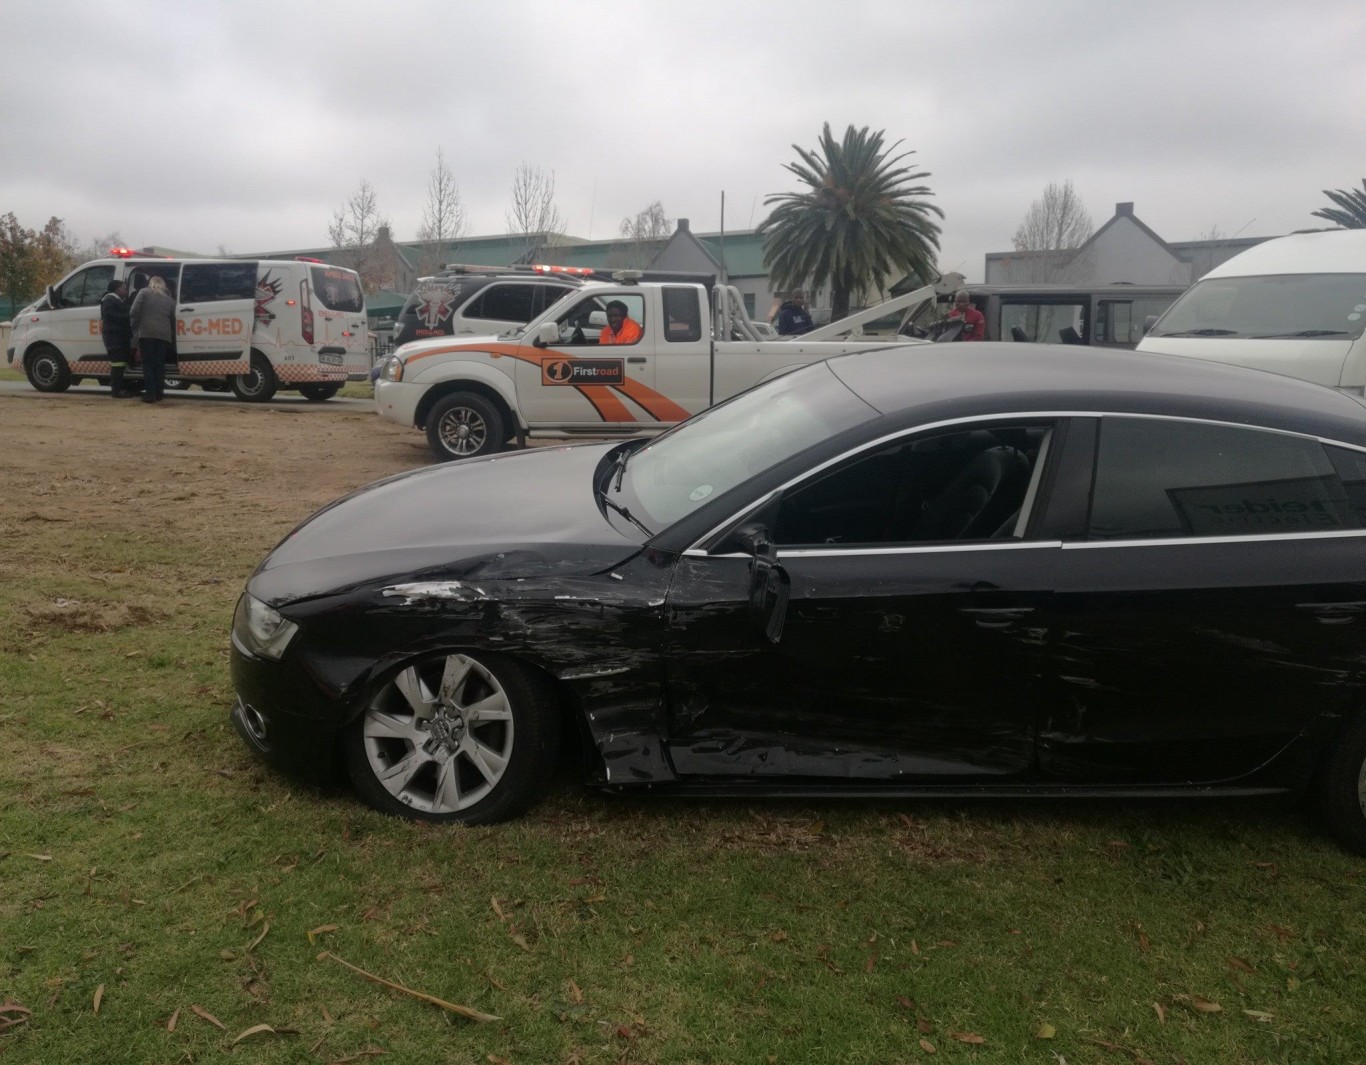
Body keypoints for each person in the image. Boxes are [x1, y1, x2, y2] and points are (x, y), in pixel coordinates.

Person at [129, 275, 176, 404]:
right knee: (159, 364)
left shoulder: (144, 292)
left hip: (146, 333)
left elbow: (134, 310)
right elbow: (173, 318)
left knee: (148, 364)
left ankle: (150, 394)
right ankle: (159, 393)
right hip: (164, 335)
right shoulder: (169, 299)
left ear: (150, 283)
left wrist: (134, 325)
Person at [99, 280, 134, 398]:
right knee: (117, 364)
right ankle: (116, 391)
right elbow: (109, 315)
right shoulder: (109, 300)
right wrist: (127, 316)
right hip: (114, 338)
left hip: (118, 337)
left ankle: (120, 388)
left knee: (120, 364)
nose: (126, 291)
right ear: (117, 289)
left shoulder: (117, 300)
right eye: (124, 288)